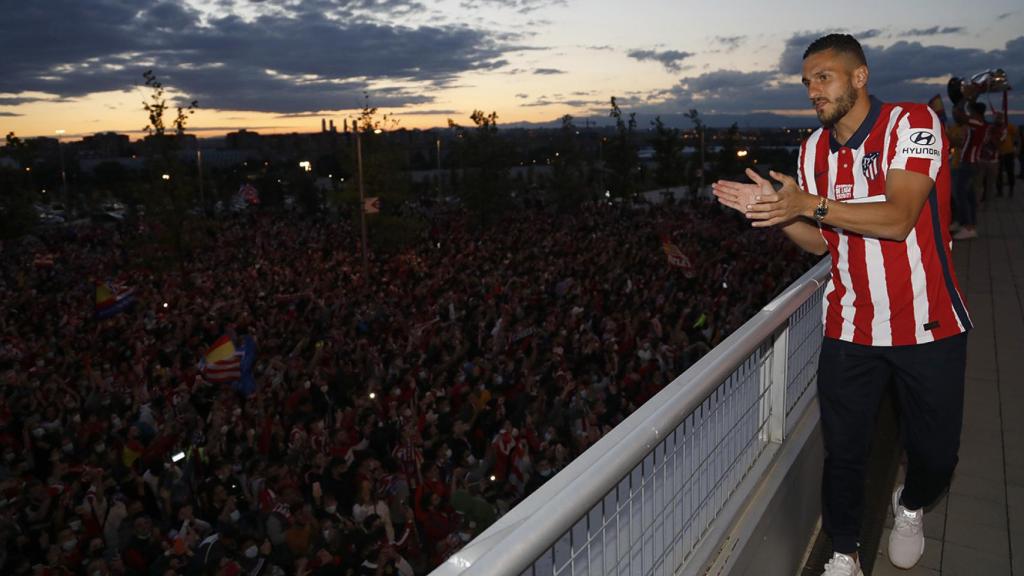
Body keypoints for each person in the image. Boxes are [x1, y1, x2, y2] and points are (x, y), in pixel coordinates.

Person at [713, 34, 971, 576]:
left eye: (823, 77)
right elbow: (822, 241)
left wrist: (810, 203)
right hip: (851, 325)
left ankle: (911, 502)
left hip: (930, 322)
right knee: (845, 453)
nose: (813, 90)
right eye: (807, 81)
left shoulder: (913, 125)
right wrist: (779, 214)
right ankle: (844, 550)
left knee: (936, 455)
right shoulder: (812, 152)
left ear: (860, 77)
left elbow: (899, 218)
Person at [995, 112, 1019, 196]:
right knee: (998, 173)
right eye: (997, 118)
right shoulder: (993, 128)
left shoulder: (1008, 126)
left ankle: (1011, 190)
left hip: (1009, 152)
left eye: (1000, 118)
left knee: (1010, 171)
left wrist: (1016, 147)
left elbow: (1017, 135)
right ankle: (999, 191)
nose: (998, 119)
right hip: (998, 153)